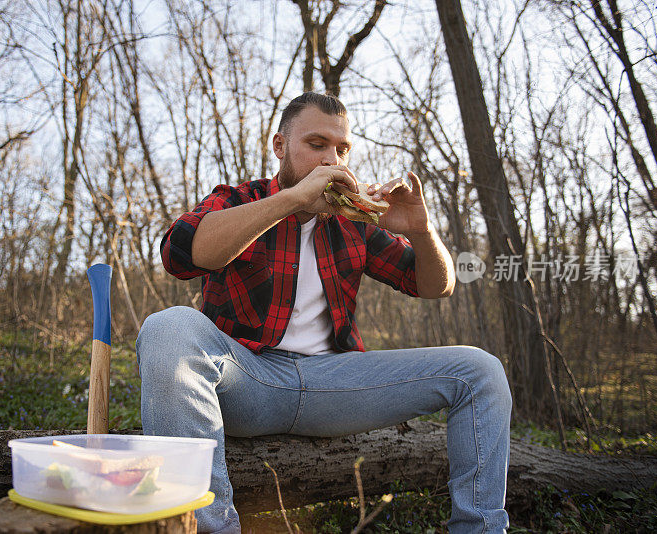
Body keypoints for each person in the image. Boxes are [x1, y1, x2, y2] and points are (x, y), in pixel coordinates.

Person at [136, 92, 512, 534]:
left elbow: (435, 285)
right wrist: (293, 200)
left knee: (480, 370)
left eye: (341, 148)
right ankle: (210, 527)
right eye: (317, 145)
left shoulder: (354, 218)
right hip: (247, 381)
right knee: (167, 327)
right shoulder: (240, 199)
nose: (332, 159)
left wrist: (422, 230)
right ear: (280, 146)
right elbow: (179, 253)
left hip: (334, 385)